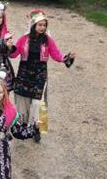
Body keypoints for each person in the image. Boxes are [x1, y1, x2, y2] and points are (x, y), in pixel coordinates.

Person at [10, 10, 75, 141]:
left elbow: (56, 55)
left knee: (38, 103)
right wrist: (9, 47)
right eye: (40, 25)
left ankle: (37, 128)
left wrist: (67, 57)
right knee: (23, 101)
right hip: (24, 74)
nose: (42, 27)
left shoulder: (48, 40)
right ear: (34, 25)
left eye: (44, 25)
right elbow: (13, 54)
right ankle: (22, 126)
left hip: (39, 75)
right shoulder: (24, 39)